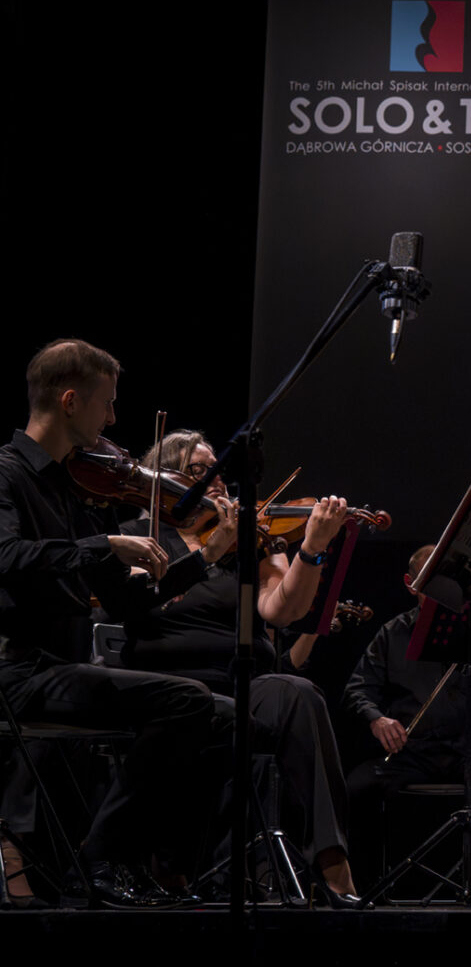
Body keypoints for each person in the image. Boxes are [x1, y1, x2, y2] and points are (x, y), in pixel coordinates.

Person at [0, 340, 229, 907]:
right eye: (107, 403)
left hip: (62, 668)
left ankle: (134, 860)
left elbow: (128, 604)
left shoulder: (73, 488)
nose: (112, 420)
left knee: (220, 713)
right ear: (70, 401)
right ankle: (100, 858)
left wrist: (204, 557)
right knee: (186, 701)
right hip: (19, 670)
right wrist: (103, 543)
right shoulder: (7, 474)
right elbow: (7, 556)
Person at [116, 430, 361, 905]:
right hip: (169, 685)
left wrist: (311, 548)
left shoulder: (254, 540)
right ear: (165, 479)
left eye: (218, 472)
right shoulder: (142, 537)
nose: (217, 482)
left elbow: (281, 611)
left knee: (298, 693)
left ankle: (333, 866)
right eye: (199, 471)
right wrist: (205, 554)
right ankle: (174, 861)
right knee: (203, 716)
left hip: (242, 681)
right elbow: (136, 601)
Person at [344, 545, 471, 887]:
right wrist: (377, 719)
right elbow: (358, 689)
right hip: (412, 751)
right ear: (411, 584)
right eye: (431, 585)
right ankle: (367, 886)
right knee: (356, 787)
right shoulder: (393, 633)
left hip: (470, 746)